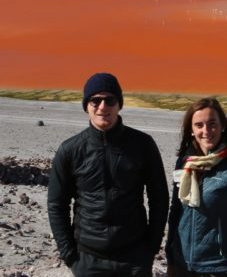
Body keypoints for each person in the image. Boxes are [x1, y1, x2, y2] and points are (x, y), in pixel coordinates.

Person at [47, 72, 169, 276]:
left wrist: (151, 247)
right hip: (87, 258)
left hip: (134, 258)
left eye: (110, 100)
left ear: (119, 104)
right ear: (86, 106)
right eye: (95, 101)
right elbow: (56, 204)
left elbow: (159, 197)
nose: (103, 107)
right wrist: (69, 254)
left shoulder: (142, 144)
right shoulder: (70, 150)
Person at [166, 97, 227, 277]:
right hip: (182, 263)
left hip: (217, 267)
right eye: (199, 125)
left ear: (222, 125)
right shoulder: (185, 162)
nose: (206, 131)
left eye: (212, 124)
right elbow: (176, 211)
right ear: (191, 130)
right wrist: (170, 255)